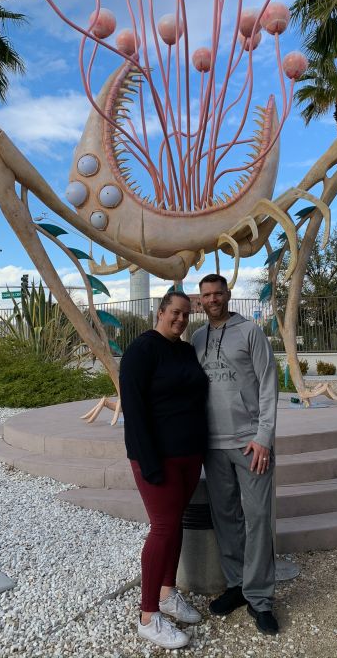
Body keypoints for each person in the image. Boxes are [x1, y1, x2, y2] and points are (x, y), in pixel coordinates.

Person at [191, 273, 279, 635]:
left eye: (218, 293)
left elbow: (269, 384)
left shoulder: (250, 332)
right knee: (225, 516)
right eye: (206, 295)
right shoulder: (197, 338)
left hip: (249, 441)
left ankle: (260, 598)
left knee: (258, 517)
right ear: (201, 300)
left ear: (228, 295)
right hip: (212, 444)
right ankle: (237, 586)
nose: (213, 299)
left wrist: (264, 437)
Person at [120, 290, 208, 650]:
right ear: (160, 312)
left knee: (176, 526)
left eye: (186, 314)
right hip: (158, 458)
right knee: (163, 528)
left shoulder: (186, 351)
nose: (181, 319)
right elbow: (135, 412)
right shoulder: (141, 351)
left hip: (190, 454)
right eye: (175, 312)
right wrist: (149, 462)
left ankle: (168, 591)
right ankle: (148, 615)